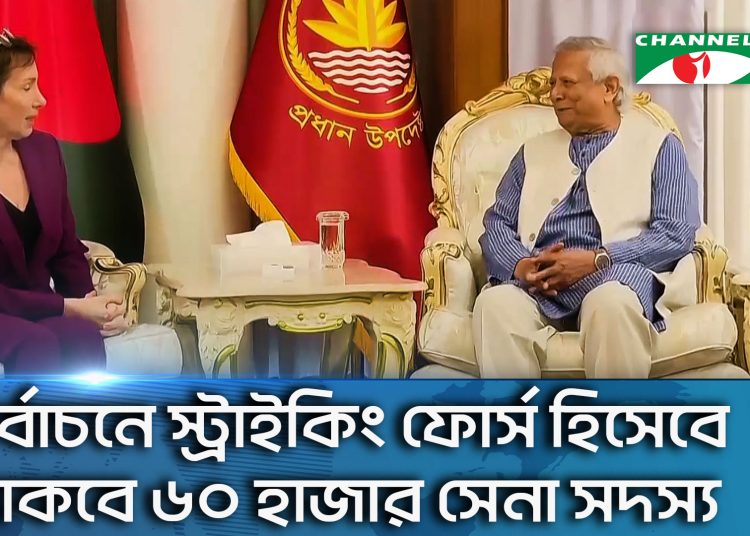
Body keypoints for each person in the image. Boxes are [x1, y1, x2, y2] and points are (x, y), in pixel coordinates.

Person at [473, 36, 701, 379]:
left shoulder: (658, 146)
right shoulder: (531, 152)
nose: (554, 94)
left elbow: (675, 234)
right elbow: (497, 224)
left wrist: (597, 259)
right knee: (495, 304)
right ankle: (517, 414)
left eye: (567, 83)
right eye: (553, 84)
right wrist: (520, 265)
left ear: (609, 88)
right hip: (540, 282)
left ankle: (614, 414)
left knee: (610, 304)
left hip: (617, 275)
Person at [0, 30, 127, 374]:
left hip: (39, 309)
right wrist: (66, 307)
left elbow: (66, 249)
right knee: (36, 344)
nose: (41, 100)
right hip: (11, 314)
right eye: (27, 87)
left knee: (83, 337)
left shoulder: (44, 151)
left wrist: (93, 304)